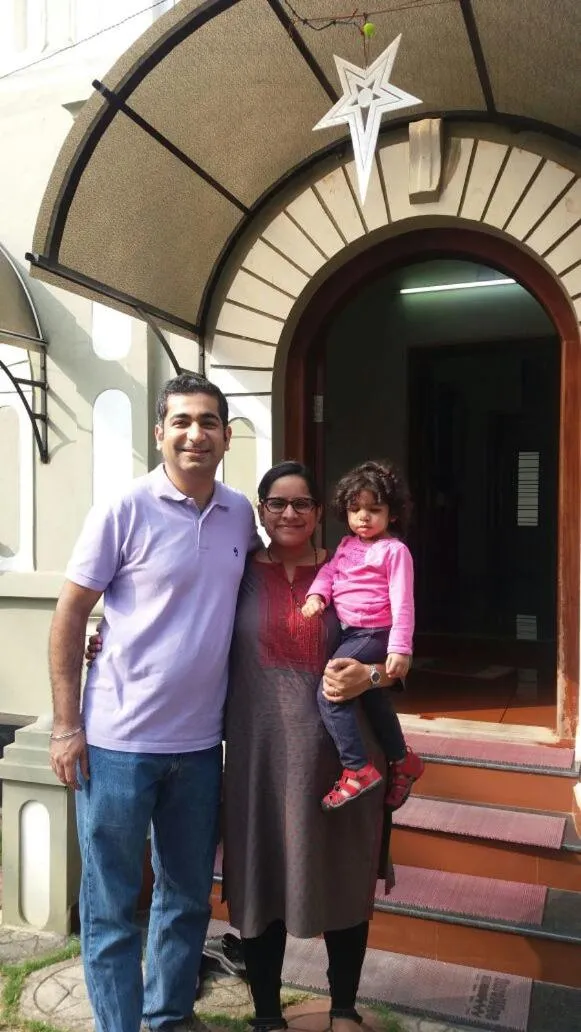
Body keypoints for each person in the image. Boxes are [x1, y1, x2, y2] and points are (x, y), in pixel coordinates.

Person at [48, 372, 259, 1032]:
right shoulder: (123, 508)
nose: (195, 433)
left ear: (226, 436)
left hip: (199, 748)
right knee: (110, 903)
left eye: (208, 422)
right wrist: (64, 726)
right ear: (161, 431)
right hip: (115, 745)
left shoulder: (238, 514)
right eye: (182, 421)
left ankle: (168, 1018)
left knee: (187, 898)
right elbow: (69, 615)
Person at [222, 461, 397, 1032]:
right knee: (260, 878)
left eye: (302, 503)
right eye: (277, 503)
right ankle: (268, 1014)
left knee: (344, 875)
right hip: (259, 759)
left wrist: (371, 680)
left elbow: (396, 651)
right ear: (261, 510)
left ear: (321, 512)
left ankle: (343, 1007)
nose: (290, 514)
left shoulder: (352, 567)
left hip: (342, 761)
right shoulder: (238, 573)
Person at [301, 461, 424, 812]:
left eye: (374, 510)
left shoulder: (394, 552)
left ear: (392, 513)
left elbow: (403, 603)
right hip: (350, 629)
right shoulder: (345, 545)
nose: (364, 518)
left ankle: (357, 768)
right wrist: (317, 595)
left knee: (331, 690)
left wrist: (400, 648)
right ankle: (402, 759)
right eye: (355, 509)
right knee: (371, 698)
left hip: (375, 631)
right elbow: (329, 572)